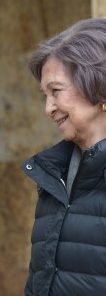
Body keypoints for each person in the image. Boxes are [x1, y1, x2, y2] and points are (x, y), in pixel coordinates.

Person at [21, 17, 106, 296]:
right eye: (45, 95)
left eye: (56, 91)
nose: (49, 108)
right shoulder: (51, 175)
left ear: (99, 86)